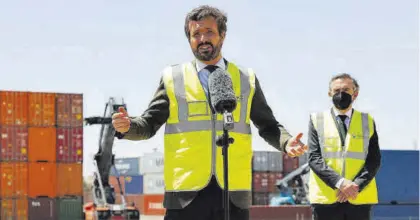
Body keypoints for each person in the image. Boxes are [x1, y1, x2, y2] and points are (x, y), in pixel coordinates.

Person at [112, 5, 308, 220]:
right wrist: (129, 126)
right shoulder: (173, 78)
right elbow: (148, 124)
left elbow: (268, 125)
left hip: (233, 192)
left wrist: (287, 142)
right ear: (189, 39)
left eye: (209, 32)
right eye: (196, 34)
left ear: (222, 36)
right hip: (185, 193)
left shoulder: (245, 78)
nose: (203, 38)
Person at [307, 73, 381, 220]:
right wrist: (340, 183)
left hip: (358, 197)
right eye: (336, 90)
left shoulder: (367, 121)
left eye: (346, 90)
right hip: (326, 199)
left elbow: (374, 160)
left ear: (355, 93)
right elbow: (314, 158)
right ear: (329, 93)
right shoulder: (317, 120)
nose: (341, 94)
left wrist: (356, 186)